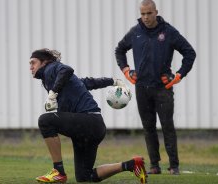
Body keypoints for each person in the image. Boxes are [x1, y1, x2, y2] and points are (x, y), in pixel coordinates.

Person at [29, 48, 147, 183]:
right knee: (85, 176)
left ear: (44, 62)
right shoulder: (53, 77)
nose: (31, 67)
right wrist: (113, 81)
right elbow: (86, 83)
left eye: (33, 62)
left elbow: (67, 70)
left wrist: (53, 93)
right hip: (91, 127)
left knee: (45, 120)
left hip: (89, 122)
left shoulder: (51, 68)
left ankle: (58, 171)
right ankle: (131, 164)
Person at [115, 0, 196, 175]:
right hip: (142, 88)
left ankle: (174, 166)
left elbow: (190, 53)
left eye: (149, 13)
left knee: (167, 126)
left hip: (162, 89)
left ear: (156, 12)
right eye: (142, 13)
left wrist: (179, 75)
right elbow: (120, 50)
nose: (145, 17)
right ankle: (154, 165)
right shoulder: (135, 32)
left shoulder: (169, 32)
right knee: (148, 127)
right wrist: (126, 70)